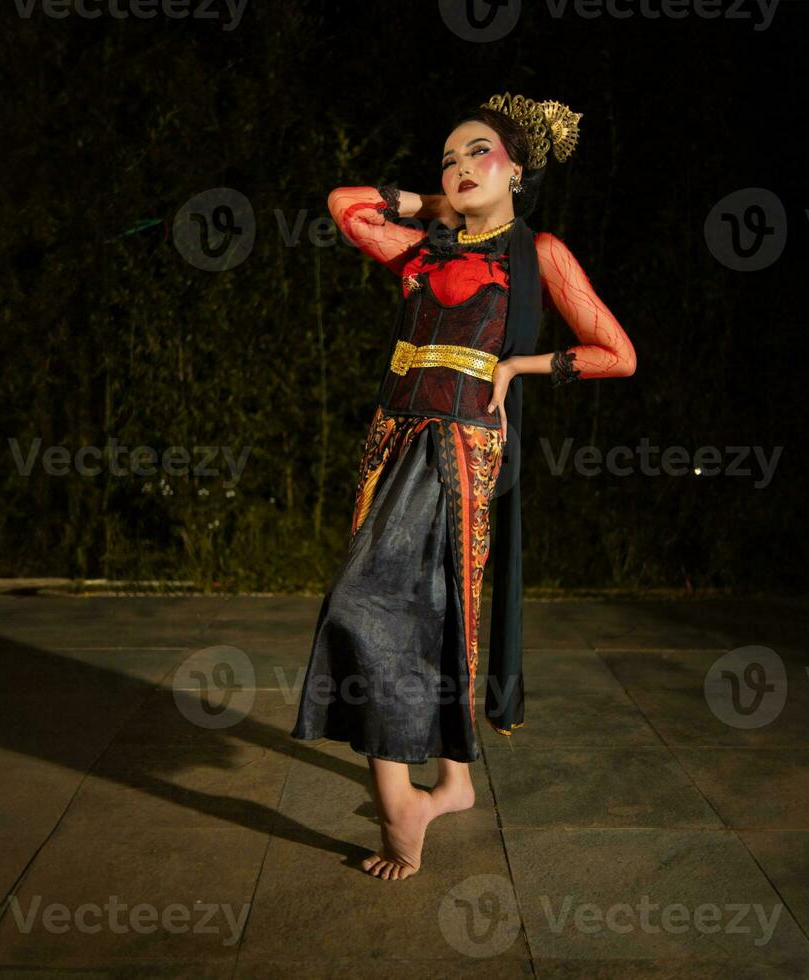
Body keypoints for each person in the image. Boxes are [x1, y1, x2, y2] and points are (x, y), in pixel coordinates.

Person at [290, 92, 636, 880]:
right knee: (422, 609)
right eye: (448, 156)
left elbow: (617, 353)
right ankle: (451, 782)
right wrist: (435, 201)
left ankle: (405, 806)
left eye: (477, 152)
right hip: (391, 441)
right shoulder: (420, 249)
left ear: (517, 167)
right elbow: (345, 204)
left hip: (458, 448)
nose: (459, 165)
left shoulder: (537, 252)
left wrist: (517, 366)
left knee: (369, 605)